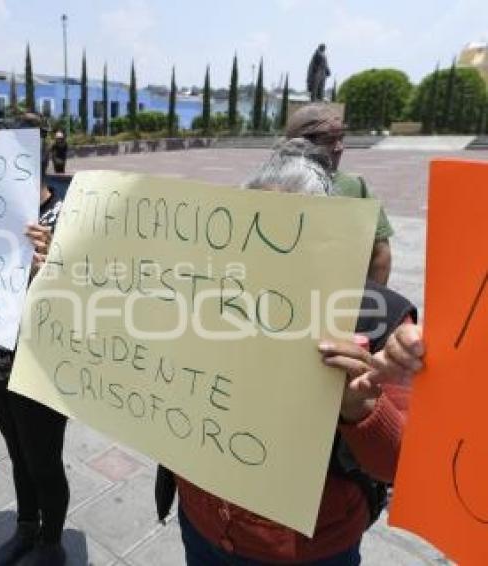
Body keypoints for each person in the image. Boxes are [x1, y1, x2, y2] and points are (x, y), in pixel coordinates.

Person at [174, 139, 419, 565]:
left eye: (287, 237)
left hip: (310, 548)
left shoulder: (378, 318)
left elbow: (401, 466)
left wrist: (362, 409)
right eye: (249, 230)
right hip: (201, 524)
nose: (264, 251)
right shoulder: (201, 294)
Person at [0, 142, 67, 566]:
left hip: (43, 370)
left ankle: (52, 542)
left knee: (44, 461)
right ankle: (26, 527)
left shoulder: (68, 217)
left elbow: (95, 291)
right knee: (17, 454)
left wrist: (55, 261)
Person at [286, 104, 394, 285]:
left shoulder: (354, 187)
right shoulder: (268, 185)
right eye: (329, 140)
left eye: (341, 138)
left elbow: (380, 255)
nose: (339, 148)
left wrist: (369, 304)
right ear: (298, 143)